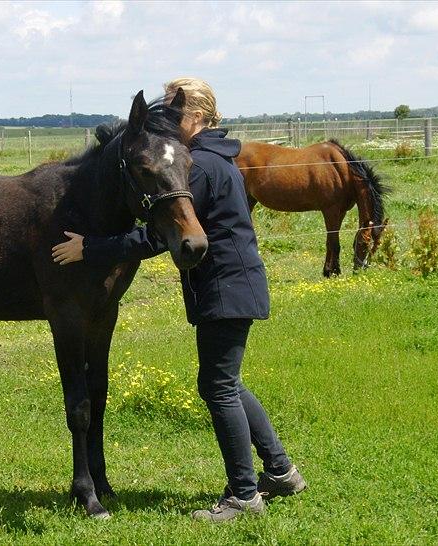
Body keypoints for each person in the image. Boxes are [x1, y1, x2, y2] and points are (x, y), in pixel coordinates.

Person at [51, 77, 306, 522]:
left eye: (173, 110)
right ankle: (281, 470)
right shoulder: (215, 158)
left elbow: (154, 236)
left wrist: (89, 248)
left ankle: (244, 496)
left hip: (224, 287)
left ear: (197, 115)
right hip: (235, 283)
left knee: (219, 386)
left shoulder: (198, 166)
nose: (165, 119)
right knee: (226, 382)